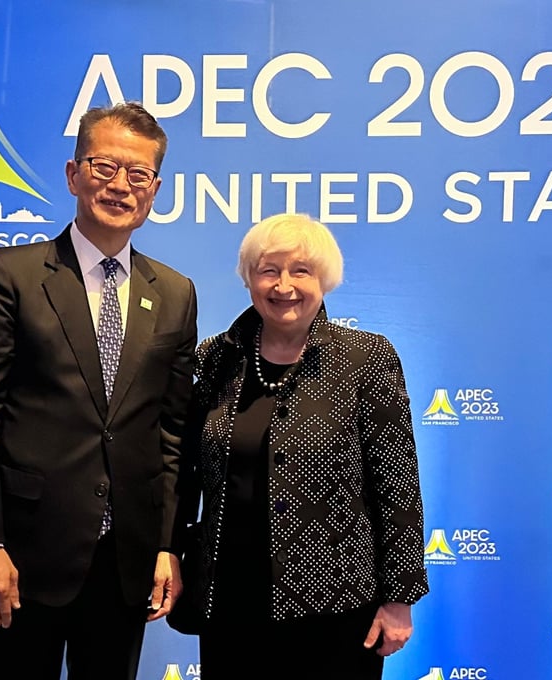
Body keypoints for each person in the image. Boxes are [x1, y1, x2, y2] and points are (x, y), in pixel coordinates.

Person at [0, 101, 197, 680]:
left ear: (154, 189)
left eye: (138, 175)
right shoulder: (9, 275)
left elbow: (171, 433)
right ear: (73, 173)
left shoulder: (176, 293)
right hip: (22, 558)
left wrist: (166, 545)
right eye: (105, 167)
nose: (120, 186)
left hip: (126, 562)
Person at [172, 213, 428, 679]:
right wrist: (168, 548)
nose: (283, 285)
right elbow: (183, 473)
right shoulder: (214, 358)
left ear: (325, 279)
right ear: (249, 278)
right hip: (230, 598)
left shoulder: (365, 359)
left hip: (336, 605)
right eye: (268, 270)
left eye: (301, 271)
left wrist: (399, 598)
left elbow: (397, 487)